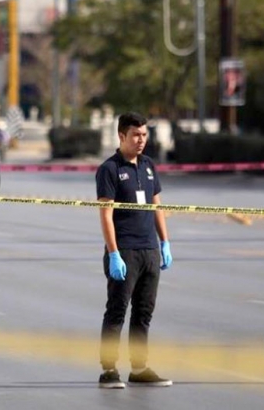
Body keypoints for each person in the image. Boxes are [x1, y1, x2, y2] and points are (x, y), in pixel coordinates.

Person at [95, 111, 173, 389]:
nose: (141, 141)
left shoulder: (149, 165)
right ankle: (109, 369)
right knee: (117, 311)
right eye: (136, 135)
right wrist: (113, 252)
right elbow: (106, 214)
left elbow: (156, 206)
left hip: (149, 249)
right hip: (125, 251)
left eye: (144, 135)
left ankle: (139, 367)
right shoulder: (110, 169)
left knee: (144, 313)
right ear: (122, 136)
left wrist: (164, 242)